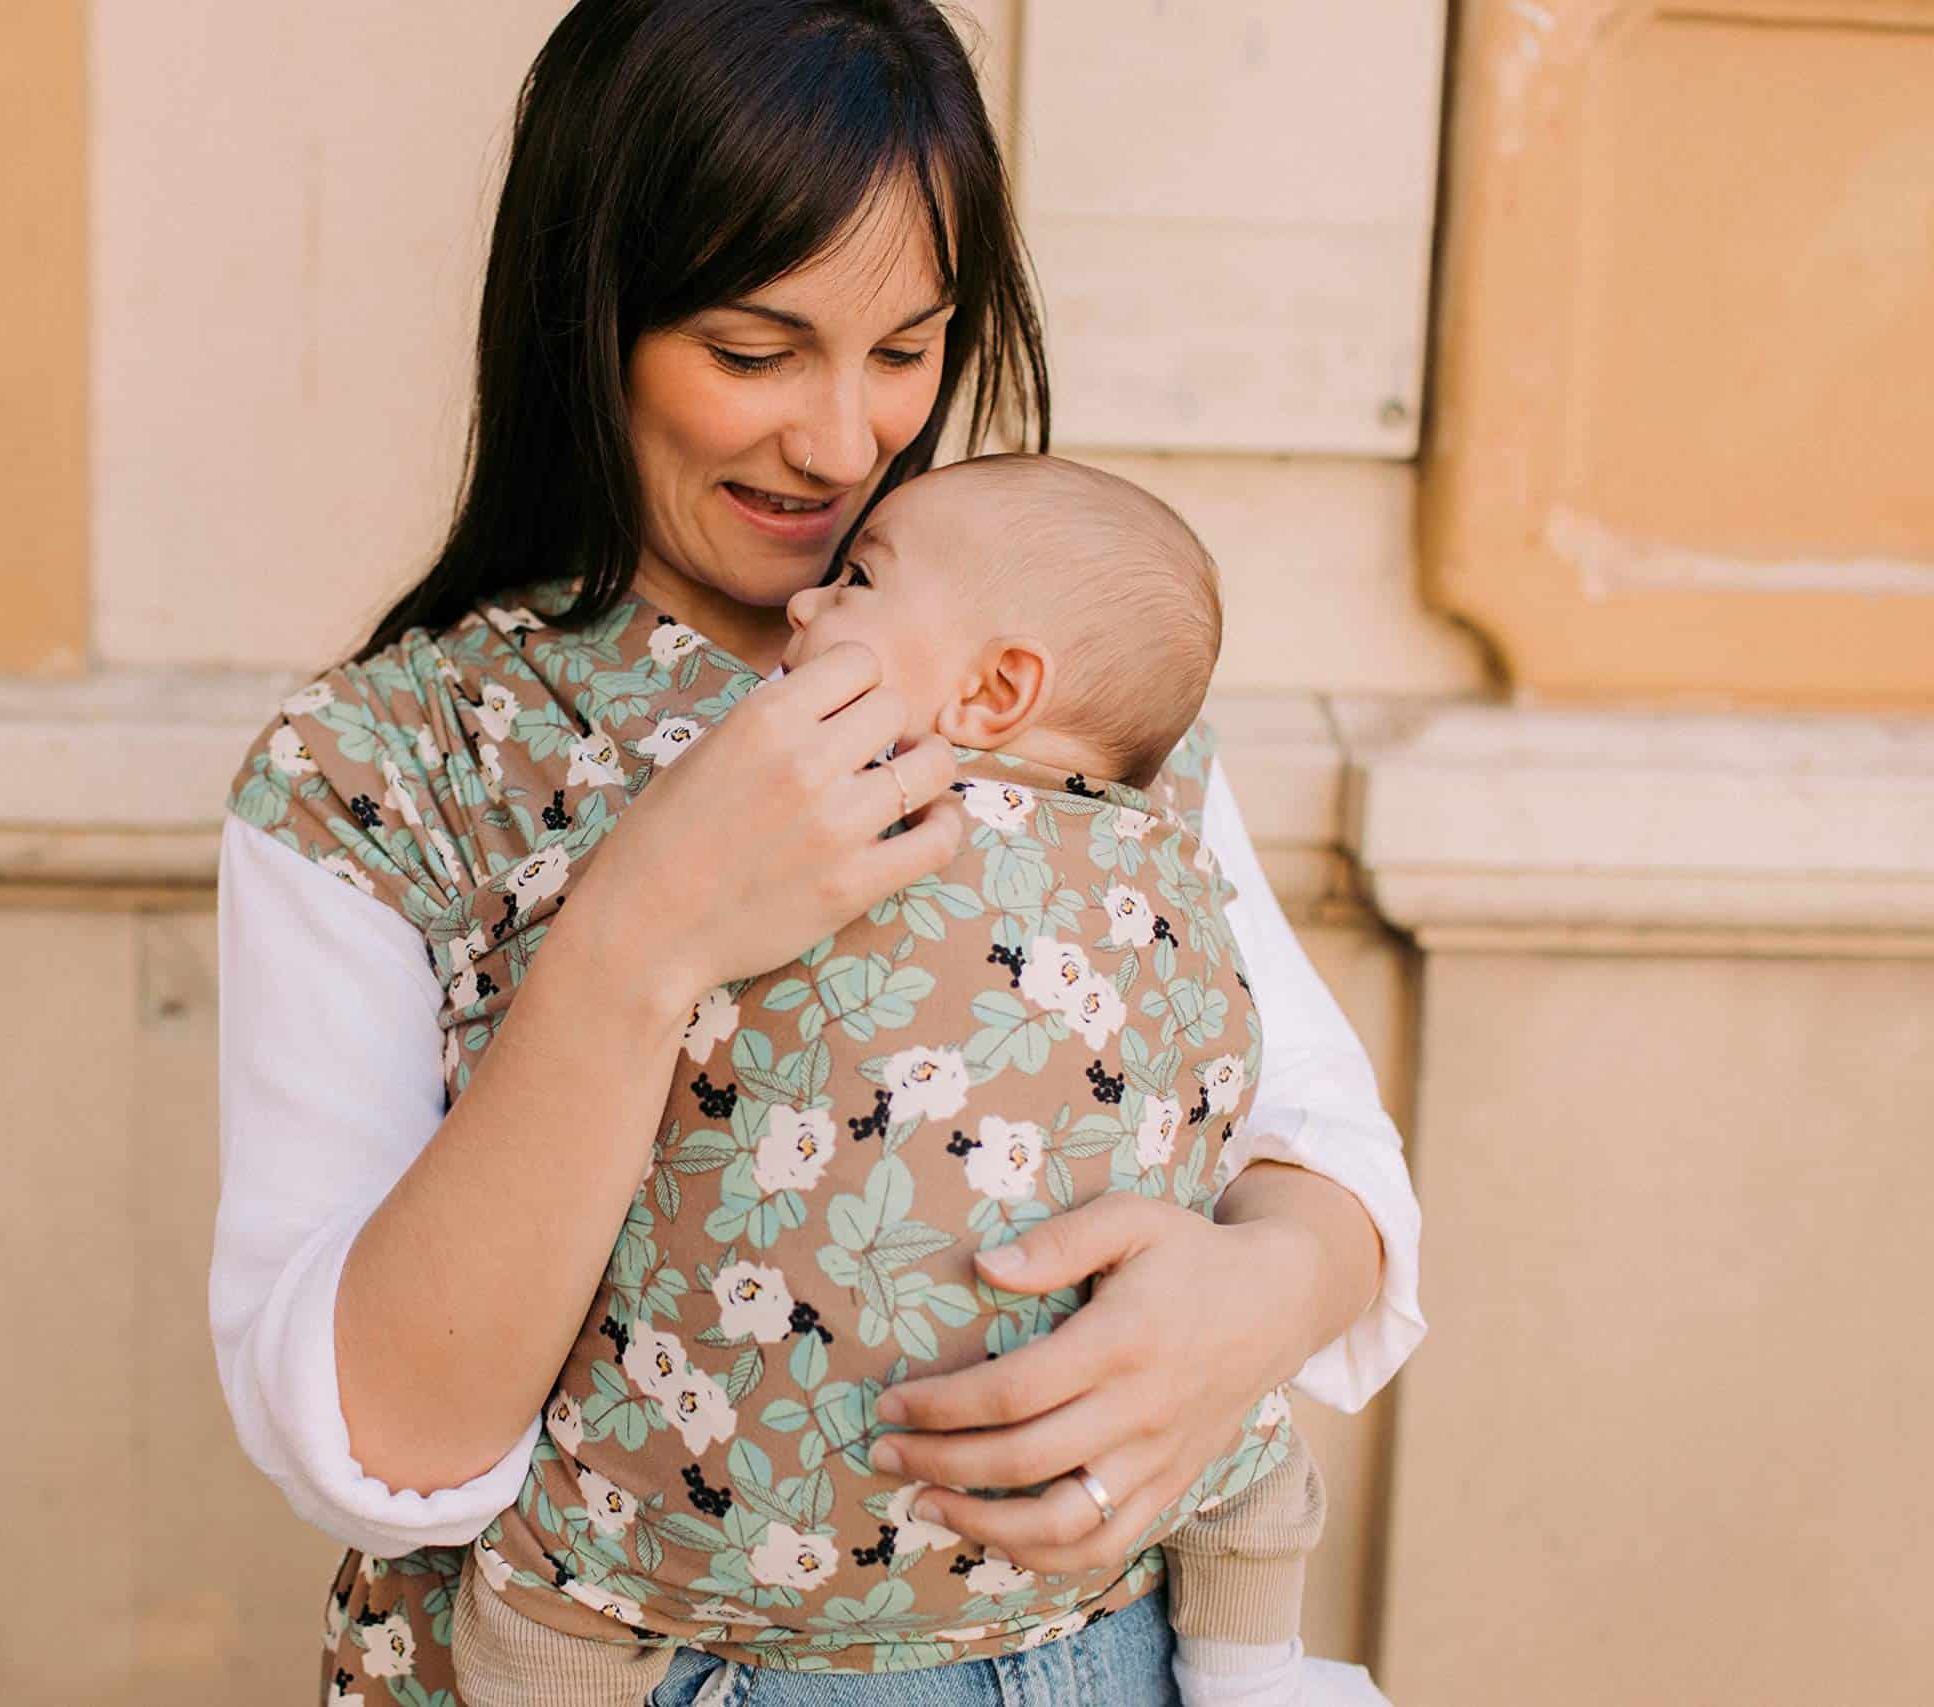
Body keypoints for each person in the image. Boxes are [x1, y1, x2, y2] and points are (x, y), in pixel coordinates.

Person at [211, 5, 1422, 1703]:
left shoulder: (1042, 685)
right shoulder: (388, 768)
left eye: (907, 349)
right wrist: (641, 932)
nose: (846, 446)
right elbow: (378, 1441)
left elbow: (1319, 1135)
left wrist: (1256, 1297)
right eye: (755, 349)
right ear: (593, 315)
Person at [435, 452, 1330, 1707]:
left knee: (549, 1593)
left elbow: (1295, 1111)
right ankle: (1251, 1667)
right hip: (966, 1550)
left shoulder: (1159, 841)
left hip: (850, 1520)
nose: (809, 601)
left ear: (995, 686)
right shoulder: (1165, 866)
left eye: (859, 580)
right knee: (1253, 1485)